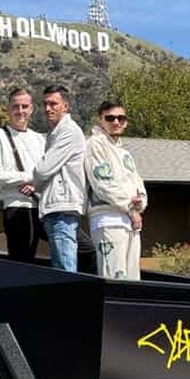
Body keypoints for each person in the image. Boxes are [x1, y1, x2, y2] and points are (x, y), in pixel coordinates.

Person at [85, 100, 147, 280]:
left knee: (132, 278)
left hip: (131, 222)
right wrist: (129, 206)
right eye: (110, 118)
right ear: (101, 120)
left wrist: (140, 204)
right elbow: (102, 183)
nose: (116, 122)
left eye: (121, 118)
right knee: (113, 277)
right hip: (108, 220)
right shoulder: (95, 144)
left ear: (126, 122)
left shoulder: (125, 153)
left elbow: (138, 183)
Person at [0, 87, 46, 261]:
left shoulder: (39, 139)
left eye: (24, 106)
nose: (20, 111)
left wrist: (35, 184)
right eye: (15, 106)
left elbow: (46, 173)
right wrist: (30, 177)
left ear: (31, 109)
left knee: (80, 249)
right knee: (22, 260)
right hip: (16, 206)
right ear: (8, 109)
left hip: (41, 207)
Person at [33, 84, 88, 272]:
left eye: (53, 104)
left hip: (62, 209)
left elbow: (42, 170)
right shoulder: (53, 134)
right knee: (61, 268)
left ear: (66, 106)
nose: (48, 108)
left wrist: (34, 183)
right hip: (56, 208)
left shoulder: (69, 131)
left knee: (65, 270)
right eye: (45, 104)